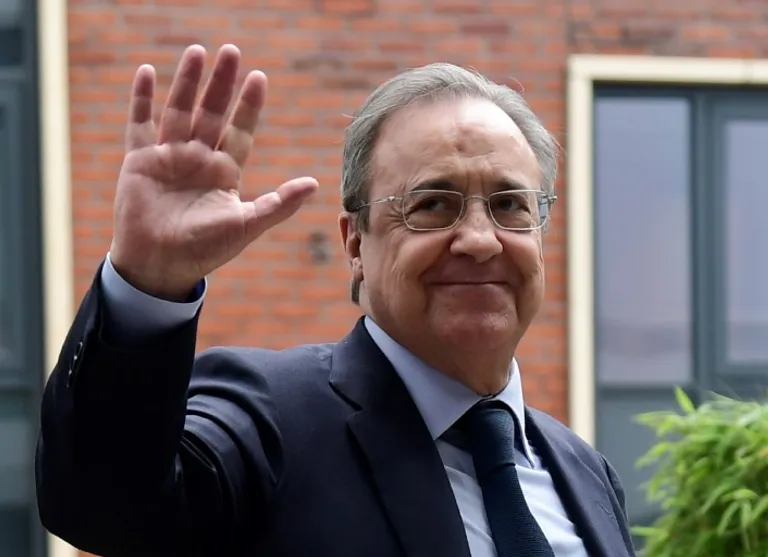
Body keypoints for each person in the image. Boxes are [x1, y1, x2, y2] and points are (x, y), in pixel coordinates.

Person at [35, 44, 636, 557]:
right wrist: (148, 282)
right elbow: (106, 505)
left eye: (509, 205)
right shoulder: (269, 418)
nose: (480, 240)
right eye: (432, 204)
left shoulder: (585, 473)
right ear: (355, 244)